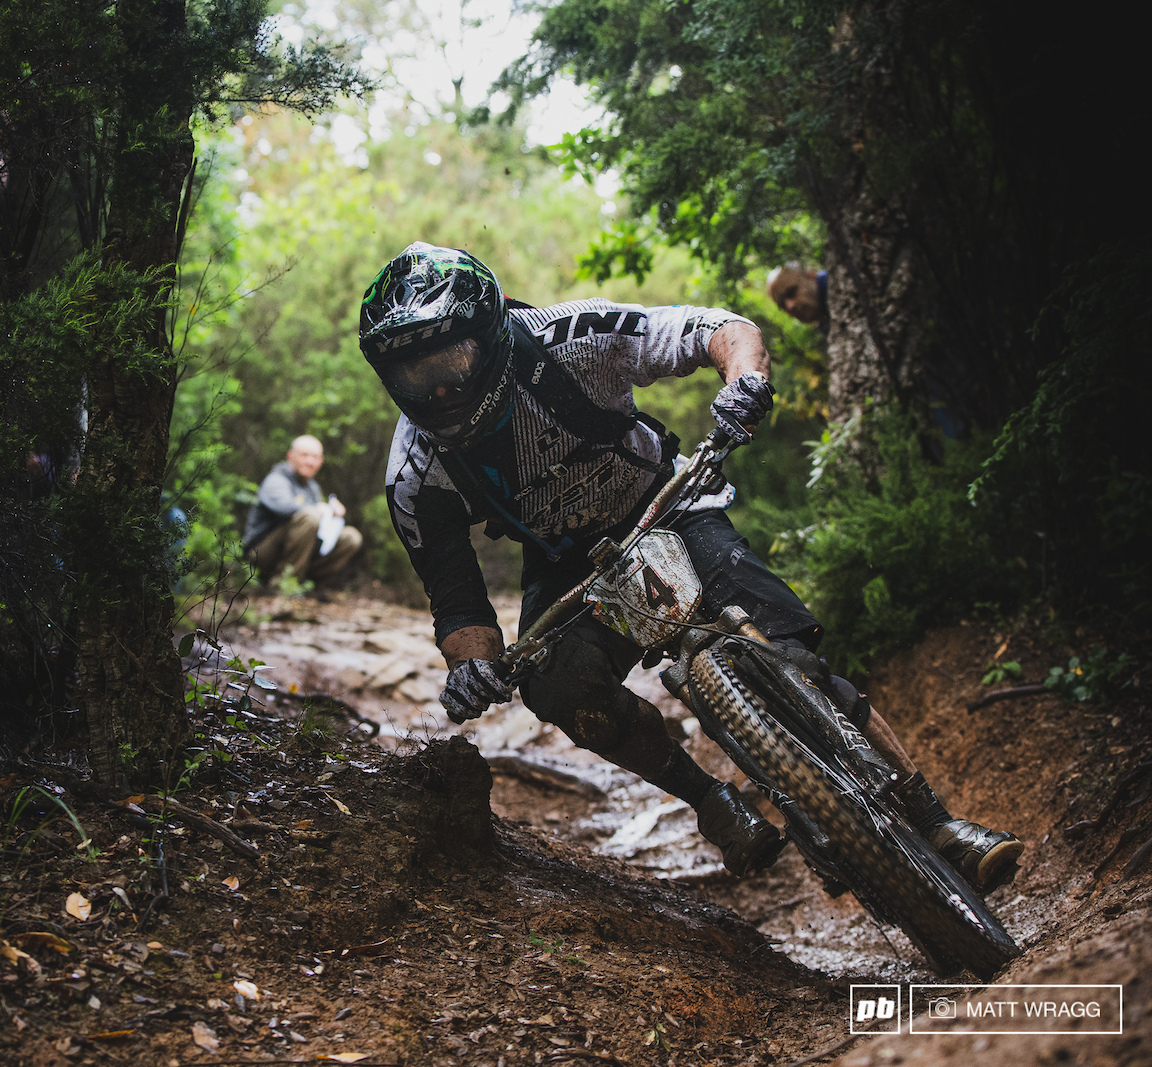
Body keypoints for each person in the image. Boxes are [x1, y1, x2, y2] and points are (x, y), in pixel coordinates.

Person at [358, 242, 1022, 891]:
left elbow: (718, 329)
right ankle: (708, 801)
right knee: (558, 687)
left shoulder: (570, 336)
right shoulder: (416, 478)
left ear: (488, 333)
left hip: (671, 504)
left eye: (449, 359)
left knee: (792, 659)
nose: (437, 387)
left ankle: (936, 822)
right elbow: (460, 604)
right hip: (571, 565)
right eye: (413, 375)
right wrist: (471, 668)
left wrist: (746, 384)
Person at [243, 435, 364, 587]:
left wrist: (332, 514)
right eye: (304, 455)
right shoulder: (276, 479)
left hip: (297, 554)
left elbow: (320, 525)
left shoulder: (312, 488)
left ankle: (307, 583)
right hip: (261, 554)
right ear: (290, 456)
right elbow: (285, 507)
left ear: (321, 461)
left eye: (315, 457)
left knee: (351, 537)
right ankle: (284, 585)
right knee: (310, 517)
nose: (310, 462)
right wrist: (319, 509)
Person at [765, 262, 828, 331]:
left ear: (811, 275)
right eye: (782, 305)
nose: (790, 306)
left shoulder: (833, 282)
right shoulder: (824, 324)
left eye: (791, 292)